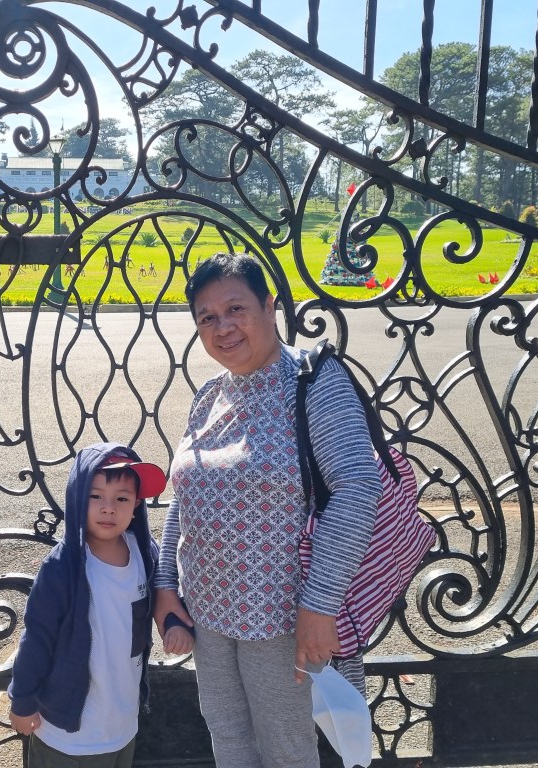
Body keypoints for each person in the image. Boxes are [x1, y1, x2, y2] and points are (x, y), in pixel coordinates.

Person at [153, 252, 383, 768]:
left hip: (282, 620)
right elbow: (184, 495)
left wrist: (320, 606)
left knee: (286, 751)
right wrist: (166, 583)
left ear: (268, 305)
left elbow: (356, 485)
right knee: (229, 740)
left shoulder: (312, 380)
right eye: (207, 318)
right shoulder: (209, 395)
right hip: (208, 615)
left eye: (236, 308)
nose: (223, 327)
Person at [9, 441, 168, 768]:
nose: (108, 508)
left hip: (122, 724)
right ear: (77, 498)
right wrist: (22, 700)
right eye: (96, 496)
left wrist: (176, 625)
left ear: (136, 505)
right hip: (67, 736)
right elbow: (37, 638)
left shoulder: (143, 552)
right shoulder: (62, 568)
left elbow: (165, 593)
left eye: (121, 498)